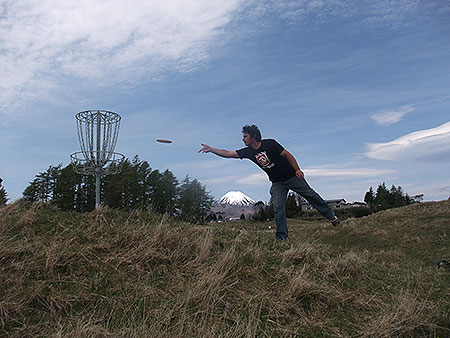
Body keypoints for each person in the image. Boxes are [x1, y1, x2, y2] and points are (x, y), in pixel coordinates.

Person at [199, 124, 340, 240]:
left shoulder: (270, 144)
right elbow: (228, 153)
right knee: (278, 208)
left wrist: (298, 170)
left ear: (253, 136)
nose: (243, 139)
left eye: (245, 136)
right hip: (277, 183)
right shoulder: (248, 152)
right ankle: (281, 238)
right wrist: (211, 149)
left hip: (292, 177)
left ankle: (331, 216)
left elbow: (287, 154)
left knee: (311, 196)